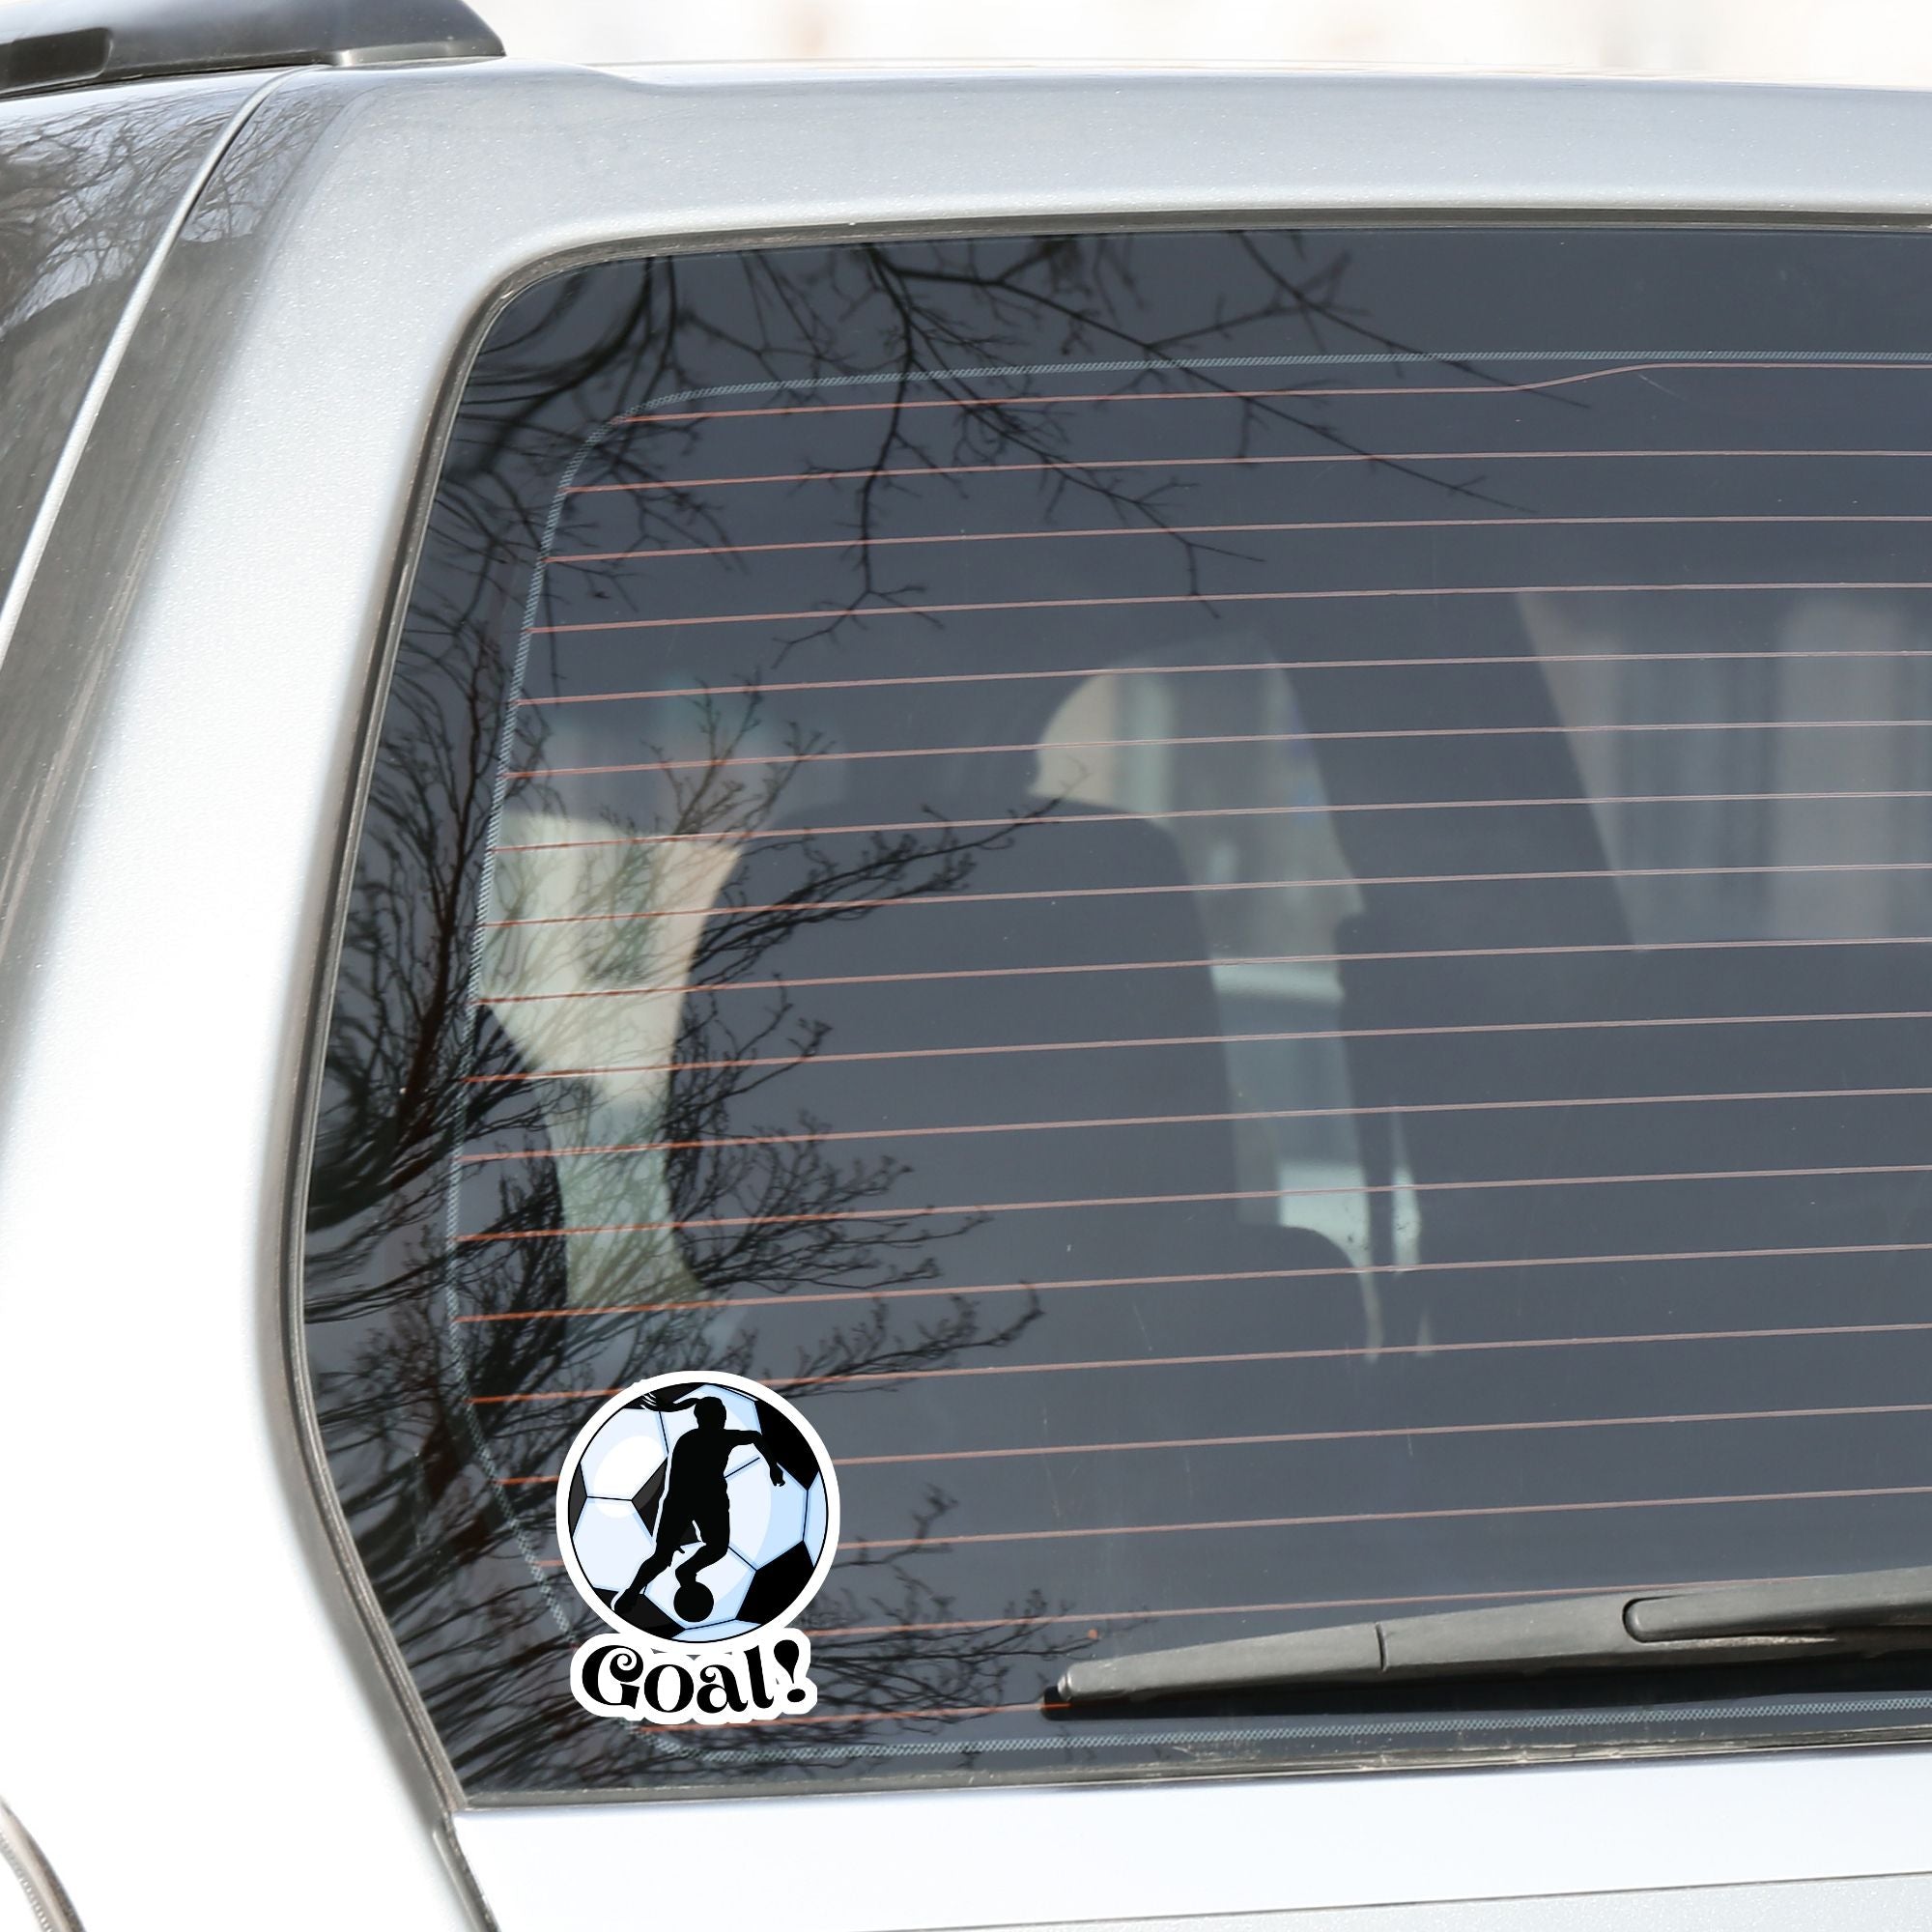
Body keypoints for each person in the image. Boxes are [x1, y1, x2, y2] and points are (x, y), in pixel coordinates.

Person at [612, 1390, 783, 1626]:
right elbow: (755, 1436)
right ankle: (652, 1583)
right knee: (712, 1549)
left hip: (685, 1502)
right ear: (714, 1418)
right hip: (703, 1501)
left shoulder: (693, 1438)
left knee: (673, 1555)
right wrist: (772, 1466)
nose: (722, 1420)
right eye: (720, 1415)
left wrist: (773, 1466)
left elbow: (754, 1436)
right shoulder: (714, 1439)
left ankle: (637, 1590)